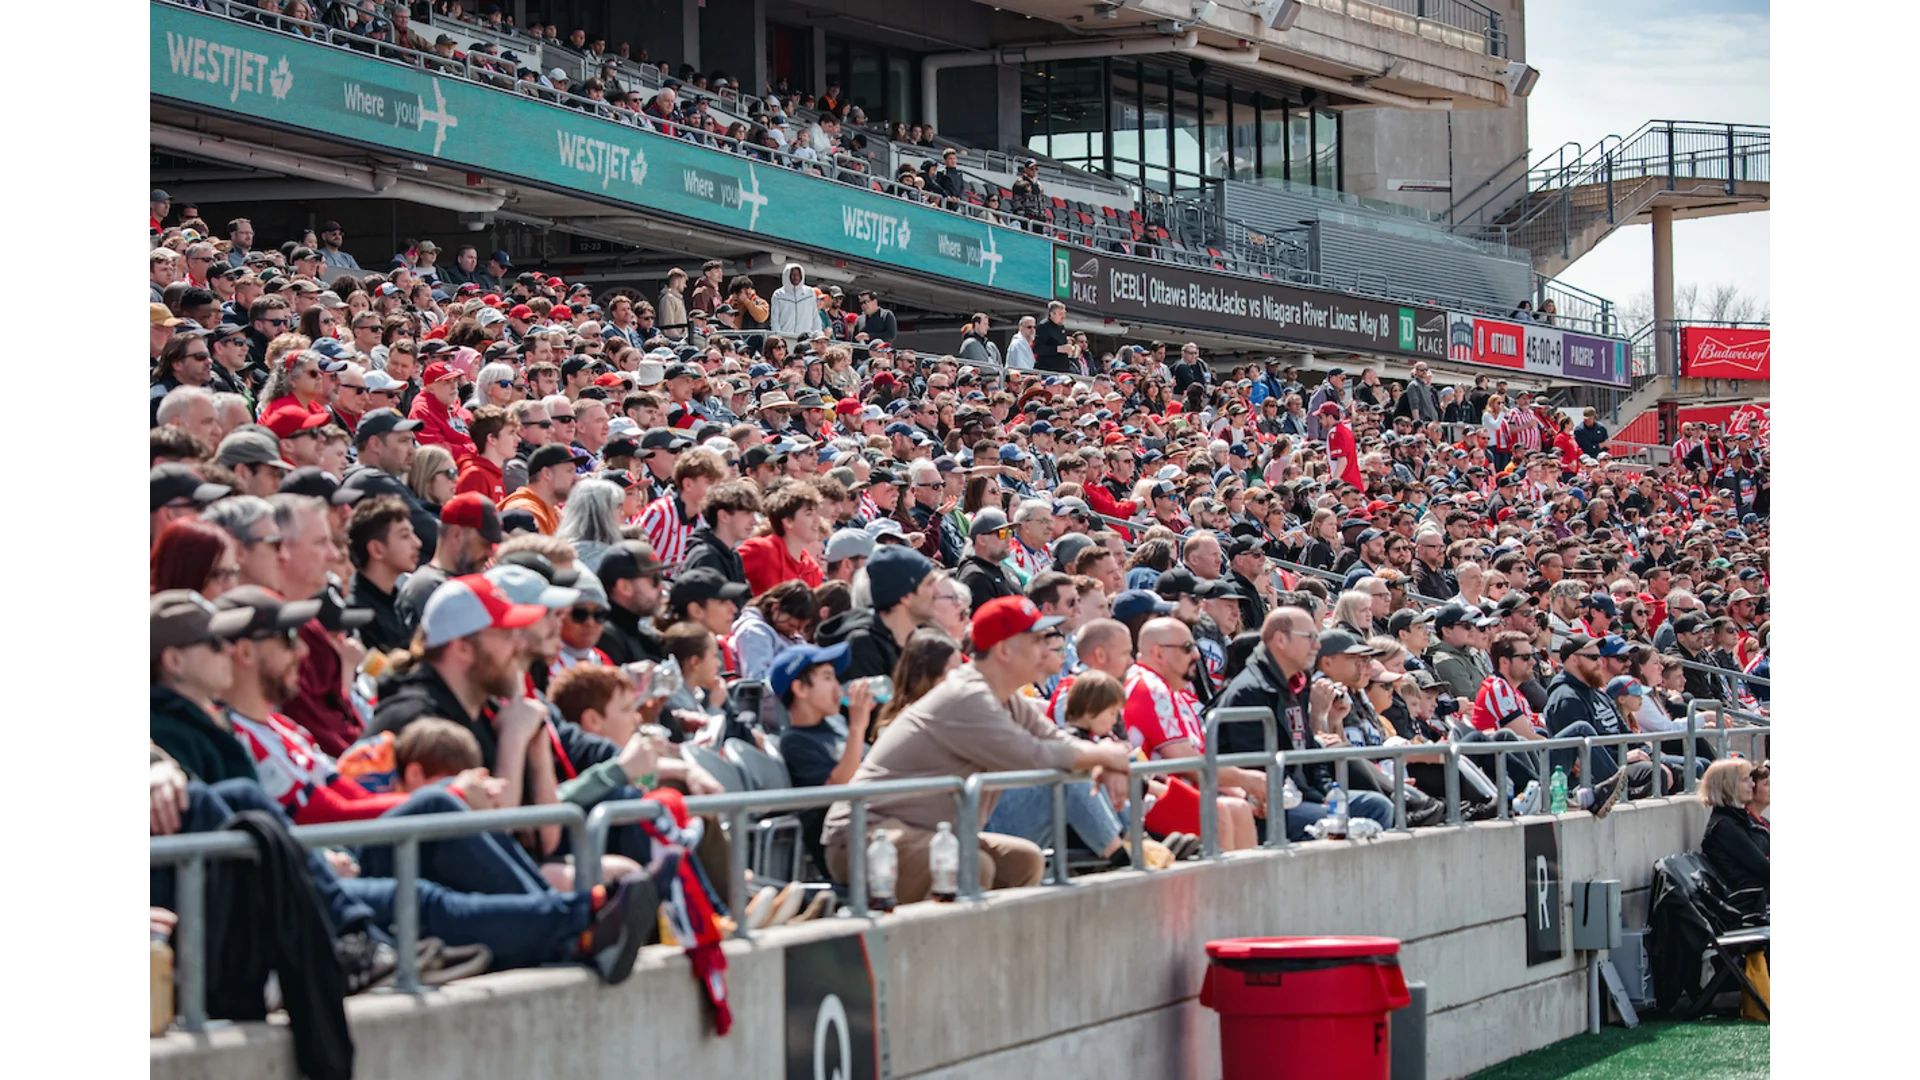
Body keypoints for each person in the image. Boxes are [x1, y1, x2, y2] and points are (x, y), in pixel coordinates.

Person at [819, 596, 1132, 904]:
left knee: (1024, 861)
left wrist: (1105, 760)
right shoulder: (967, 695)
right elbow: (1032, 754)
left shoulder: (1005, 697)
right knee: (973, 867)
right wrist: (1106, 756)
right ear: (1004, 650)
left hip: (929, 832)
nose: (1047, 648)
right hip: (865, 835)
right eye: (1037, 640)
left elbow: (1056, 740)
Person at [1124, 617, 1259, 851]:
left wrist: (1243, 790)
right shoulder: (1150, 687)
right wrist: (1246, 780)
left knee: (1240, 807)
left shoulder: (1173, 690)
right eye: (1187, 647)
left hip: (1178, 792)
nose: (1197, 655)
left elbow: (1201, 758)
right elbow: (1187, 763)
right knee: (1219, 814)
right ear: (1158, 653)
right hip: (1145, 795)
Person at [817, 544, 938, 681]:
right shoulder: (863, 647)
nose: (937, 592)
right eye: (929, 584)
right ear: (906, 596)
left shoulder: (919, 640)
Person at [1698, 759, 1772, 923]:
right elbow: (1765, 869)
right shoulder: (1724, 826)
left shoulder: (1738, 821)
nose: (1752, 784)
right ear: (1728, 785)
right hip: (1751, 904)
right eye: (1746, 780)